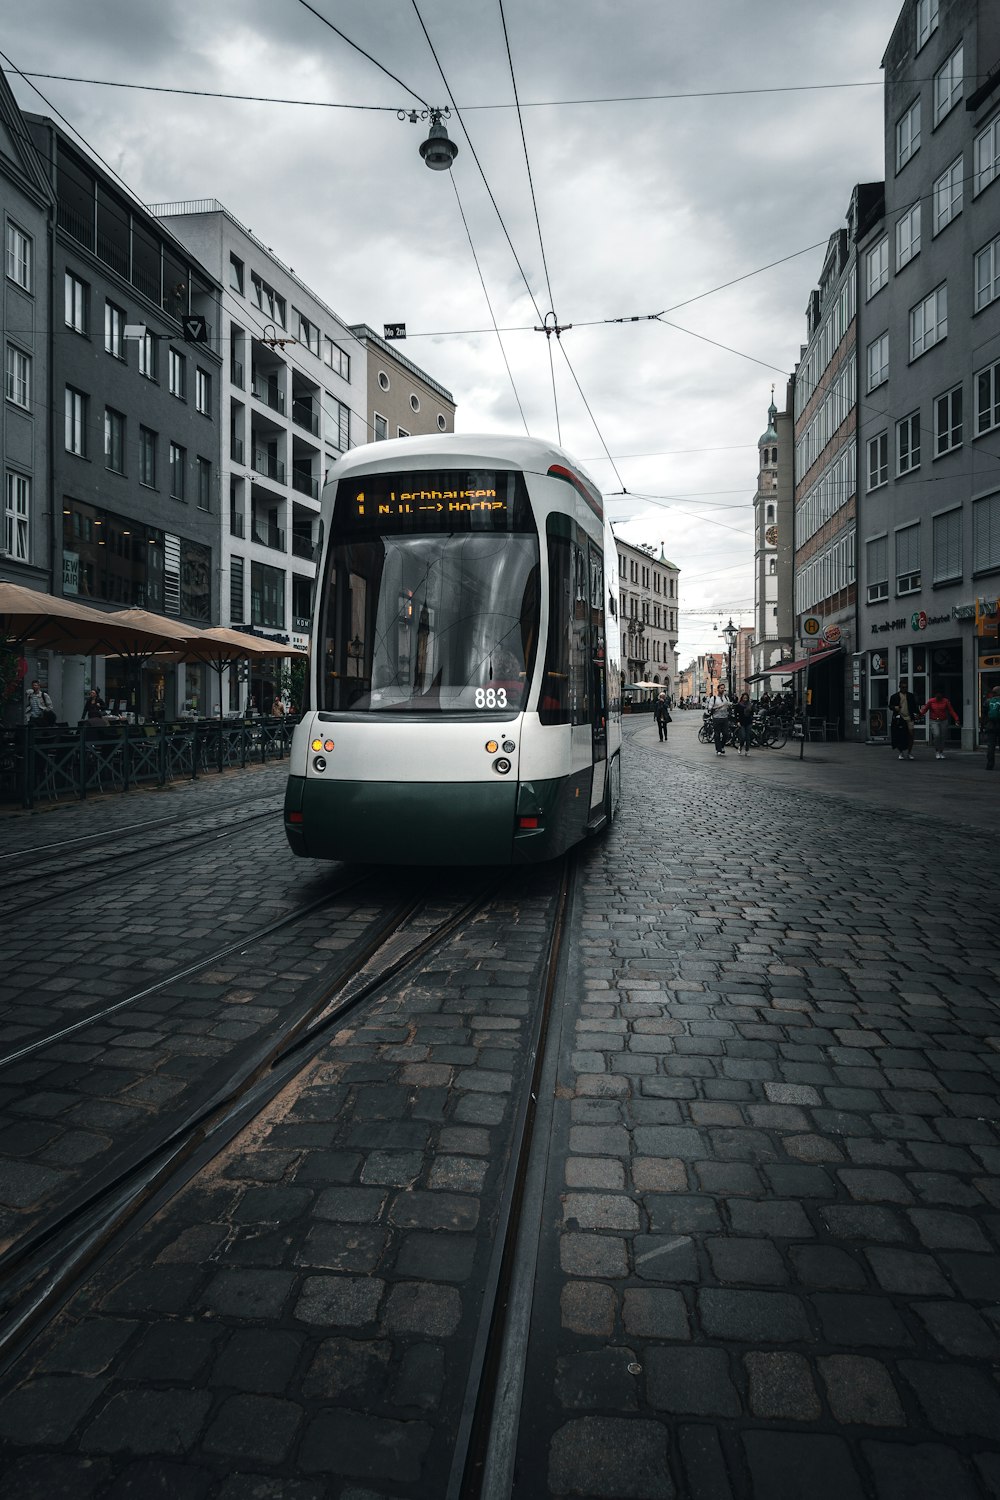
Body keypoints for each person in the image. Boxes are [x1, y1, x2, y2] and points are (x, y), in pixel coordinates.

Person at [920, 688, 960, 760]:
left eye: (940, 694)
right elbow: (925, 710)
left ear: (942, 694)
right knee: (937, 735)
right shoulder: (931, 701)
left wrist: (956, 718)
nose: (938, 695)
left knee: (943, 736)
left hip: (943, 720)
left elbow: (951, 710)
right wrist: (919, 715)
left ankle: (941, 751)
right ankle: (937, 751)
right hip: (934, 720)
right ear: (935, 694)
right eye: (937, 694)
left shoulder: (945, 701)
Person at [888, 680, 919, 761]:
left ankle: (909, 752)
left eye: (906, 687)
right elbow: (890, 706)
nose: (904, 689)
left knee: (911, 735)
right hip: (900, 718)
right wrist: (895, 707)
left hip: (909, 718)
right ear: (900, 687)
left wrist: (917, 714)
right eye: (903, 687)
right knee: (900, 735)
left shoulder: (910, 696)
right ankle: (901, 752)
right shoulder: (894, 696)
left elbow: (914, 706)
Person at [706, 687, 731, 755]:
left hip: (725, 717)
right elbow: (710, 708)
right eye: (721, 688)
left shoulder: (726, 697)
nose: (722, 690)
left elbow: (728, 705)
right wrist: (719, 706)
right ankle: (718, 749)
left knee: (726, 734)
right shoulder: (714, 698)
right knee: (717, 734)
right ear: (718, 689)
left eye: (723, 688)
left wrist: (729, 706)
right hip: (716, 718)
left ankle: (722, 746)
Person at [982, 684, 1000, 771]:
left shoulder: (988, 701)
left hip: (990, 726)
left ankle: (990, 765)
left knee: (991, 746)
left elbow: (984, 715)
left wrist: (983, 726)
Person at [734, 691, 754, 756]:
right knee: (743, 737)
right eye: (744, 698)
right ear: (742, 698)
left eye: (746, 698)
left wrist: (752, 720)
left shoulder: (750, 705)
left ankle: (747, 750)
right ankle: (740, 746)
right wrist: (737, 721)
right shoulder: (739, 705)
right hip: (741, 722)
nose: (745, 699)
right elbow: (736, 714)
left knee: (748, 737)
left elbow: (752, 714)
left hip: (748, 722)